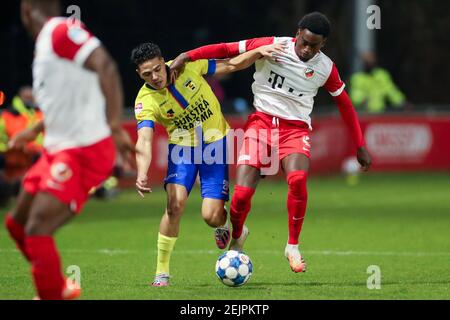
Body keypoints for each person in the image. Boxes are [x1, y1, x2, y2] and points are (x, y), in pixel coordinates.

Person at [170, 12, 372, 273]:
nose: (307, 49)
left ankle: (292, 245)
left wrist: (359, 144)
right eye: (305, 42)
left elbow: (344, 104)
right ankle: (238, 235)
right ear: (298, 33)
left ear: (323, 45)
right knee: (241, 195)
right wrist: (189, 55)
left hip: (295, 129)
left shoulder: (325, 67)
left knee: (298, 179)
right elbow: (226, 49)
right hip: (261, 123)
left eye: (315, 45)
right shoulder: (271, 45)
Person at [4, 0, 134, 300]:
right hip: (57, 150)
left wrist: (115, 126)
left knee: (37, 228)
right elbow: (64, 99)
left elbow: (107, 66)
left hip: (83, 151)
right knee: (17, 225)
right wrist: (34, 130)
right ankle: (57, 287)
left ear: (25, 10)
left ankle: (52, 293)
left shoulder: (60, 31)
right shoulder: (47, 46)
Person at [132, 42, 283, 286]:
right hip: (182, 149)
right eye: (147, 74)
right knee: (174, 205)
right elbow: (145, 138)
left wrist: (257, 52)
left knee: (211, 217)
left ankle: (229, 228)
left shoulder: (187, 66)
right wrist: (142, 172)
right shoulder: (145, 100)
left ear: (164, 61)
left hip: (216, 145)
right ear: (139, 75)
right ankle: (162, 272)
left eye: (157, 69)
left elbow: (232, 64)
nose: (155, 77)